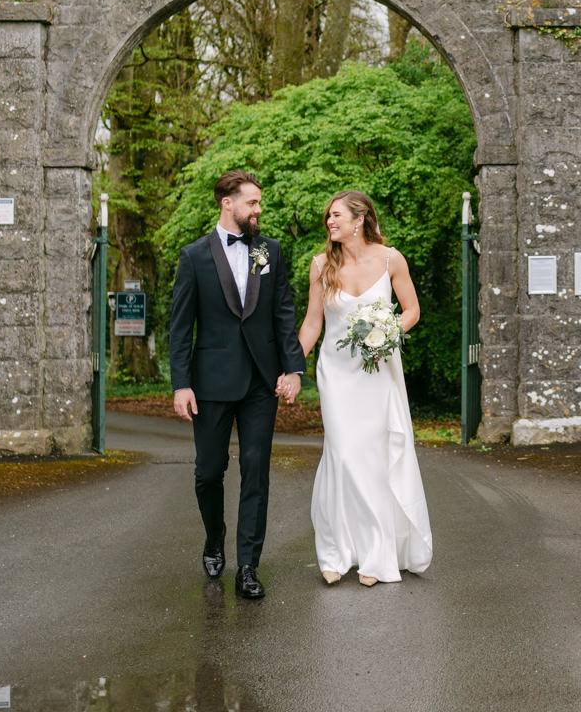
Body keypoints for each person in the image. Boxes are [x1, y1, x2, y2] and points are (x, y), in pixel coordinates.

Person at [170, 170, 306, 600]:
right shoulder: (193, 256)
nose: (258, 209)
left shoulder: (269, 251)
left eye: (259, 202)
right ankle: (214, 538)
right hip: (210, 382)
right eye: (252, 202)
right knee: (208, 471)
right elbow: (181, 327)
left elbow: (283, 312)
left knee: (256, 472)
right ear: (227, 203)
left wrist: (293, 369)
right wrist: (181, 383)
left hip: (262, 382)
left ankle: (248, 565)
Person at [299, 190, 433, 586]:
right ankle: (335, 552)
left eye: (336, 215)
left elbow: (412, 310)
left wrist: (387, 332)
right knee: (342, 456)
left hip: (378, 372)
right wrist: (290, 366)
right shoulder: (321, 265)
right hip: (337, 374)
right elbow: (312, 323)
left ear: (360, 220)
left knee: (374, 460)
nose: (329, 222)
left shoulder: (391, 259)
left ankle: (376, 556)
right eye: (328, 216)